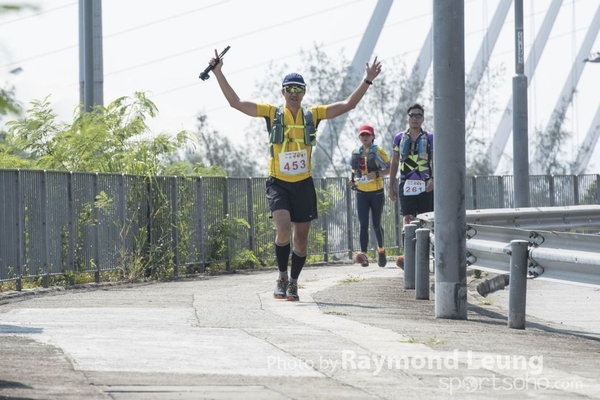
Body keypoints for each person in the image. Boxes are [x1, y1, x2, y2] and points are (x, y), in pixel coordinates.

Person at [209, 50, 382, 301]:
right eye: (289, 88)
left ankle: (293, 282)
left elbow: (348, 105)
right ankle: (281, 276)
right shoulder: (271, 113)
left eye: (298, 89)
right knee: (282, 229)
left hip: (303, 184)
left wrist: (367, 80)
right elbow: (236, 103)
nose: (294, 93)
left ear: (304, 92)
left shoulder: (313, 114)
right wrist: (218, 73)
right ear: (282, 92)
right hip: (278, 182)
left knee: (301, 239)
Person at [388, 103, 433, 268]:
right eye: (412, 115)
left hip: (425, 184)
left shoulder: (429, 137)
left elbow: (433, 160)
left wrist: (433, 179)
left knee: (426, 219)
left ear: (423, 119)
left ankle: (425, 257)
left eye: (418, 115)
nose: (415, 118)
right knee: (407, 218)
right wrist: (391, 186)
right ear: (408, 118)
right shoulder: (399, 138)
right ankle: (408, 257)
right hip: (406, 183)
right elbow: (394, 162)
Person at [349, 124, 390, 267]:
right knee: (363, 223)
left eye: (368, 134)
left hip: (377, 192)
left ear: (373, 136)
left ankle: (381, 251)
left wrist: (377, 174)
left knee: (376, 224)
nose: (365, 137)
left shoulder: (379, 151)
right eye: (362, 135)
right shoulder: (355, 152)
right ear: (359, 137)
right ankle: (364, 255)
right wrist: (352, 181)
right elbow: (354, 171)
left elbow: (389, 168)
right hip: (361, 192)